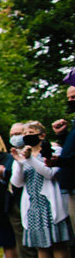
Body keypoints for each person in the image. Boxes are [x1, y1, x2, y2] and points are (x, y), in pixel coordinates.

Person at [10, 121, 72, 258]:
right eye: (25, 132)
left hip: (50, 202)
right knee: (41, 245)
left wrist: (30, 159)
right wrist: (21, 162)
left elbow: (50, 173)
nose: (27, 135)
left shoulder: (53, 149)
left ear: (42, 135)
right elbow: (17, 182)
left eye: (32, 131)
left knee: (58, 243)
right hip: (32, 203)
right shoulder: (23, 153)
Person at [5, 122, 44, 258]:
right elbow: (14, 180)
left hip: (39, 199)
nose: (16, 137)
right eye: (12, 134)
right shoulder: (10, 156)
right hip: (16, 202)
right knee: (23, 241)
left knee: (44, 239)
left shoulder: (41, 151)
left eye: (19, 133)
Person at [50, 83, 75, 236]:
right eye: (69, 98)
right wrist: (62, 135)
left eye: (74, 97)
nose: (70, 101)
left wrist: (59, 161)